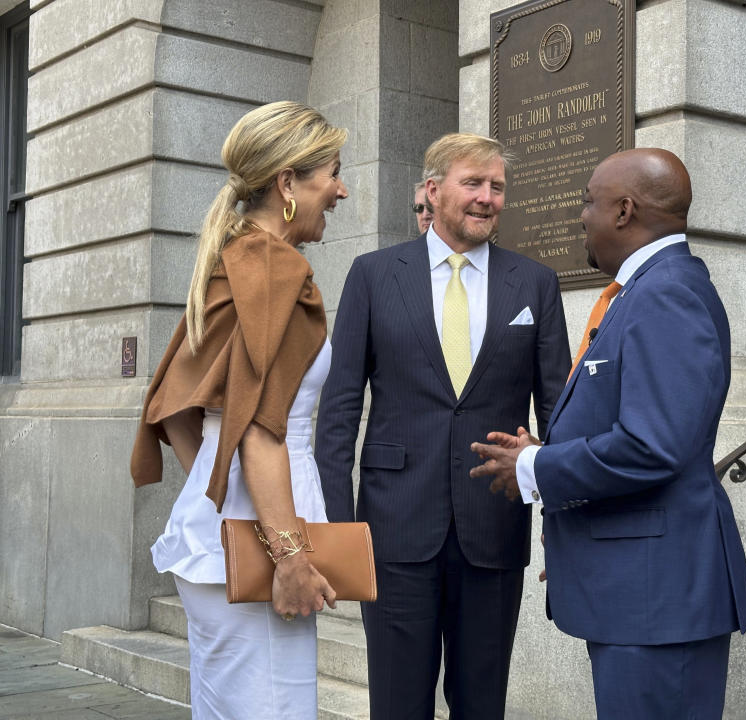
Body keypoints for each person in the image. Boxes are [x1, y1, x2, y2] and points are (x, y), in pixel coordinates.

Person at [470, 148, 746, 719]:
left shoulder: (666, 293)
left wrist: (534, 468)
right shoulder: (646, 290)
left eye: (588, 201)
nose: (580, 216)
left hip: (657, 600)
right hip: (641, 594)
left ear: (624, 211)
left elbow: (653, 447)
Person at [315, 132, 570, 719]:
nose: (488, 198)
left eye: (498, 186)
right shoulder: (374, 275)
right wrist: (339, 536)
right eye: (473, 183)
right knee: (398, 705)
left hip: (494, 527)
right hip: (394, 532)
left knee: (483, 705)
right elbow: (338, 416)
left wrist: (563, 522)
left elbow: (557, 411)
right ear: (432, 190)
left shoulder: (535, 282)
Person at [130, 101, 349, 719]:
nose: (341, 189)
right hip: (264, 548)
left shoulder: (231, 259)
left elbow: (172, 406)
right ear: (287, 183)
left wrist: (213, 488)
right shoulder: (276, 268)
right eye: (331, 172)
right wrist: (289, 554)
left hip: (218, 538)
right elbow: (259, 430)